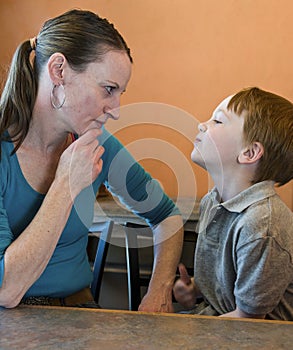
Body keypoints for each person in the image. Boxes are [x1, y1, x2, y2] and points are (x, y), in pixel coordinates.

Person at [0, 9, 183, 311]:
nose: (116, 109)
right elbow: (6, 290)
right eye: (108, 89)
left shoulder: (98, 145)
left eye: (120, 93)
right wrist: (67, 183)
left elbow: (167, 216)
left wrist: (159, 290)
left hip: (80, 313)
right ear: (59, 71)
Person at [173, 87, 293, 320]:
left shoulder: (262, 224)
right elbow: (231, 279)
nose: (202, 124)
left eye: (217, 121)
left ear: (249, 152)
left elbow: (248, 321)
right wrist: (196, 288)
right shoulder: (213, 202)